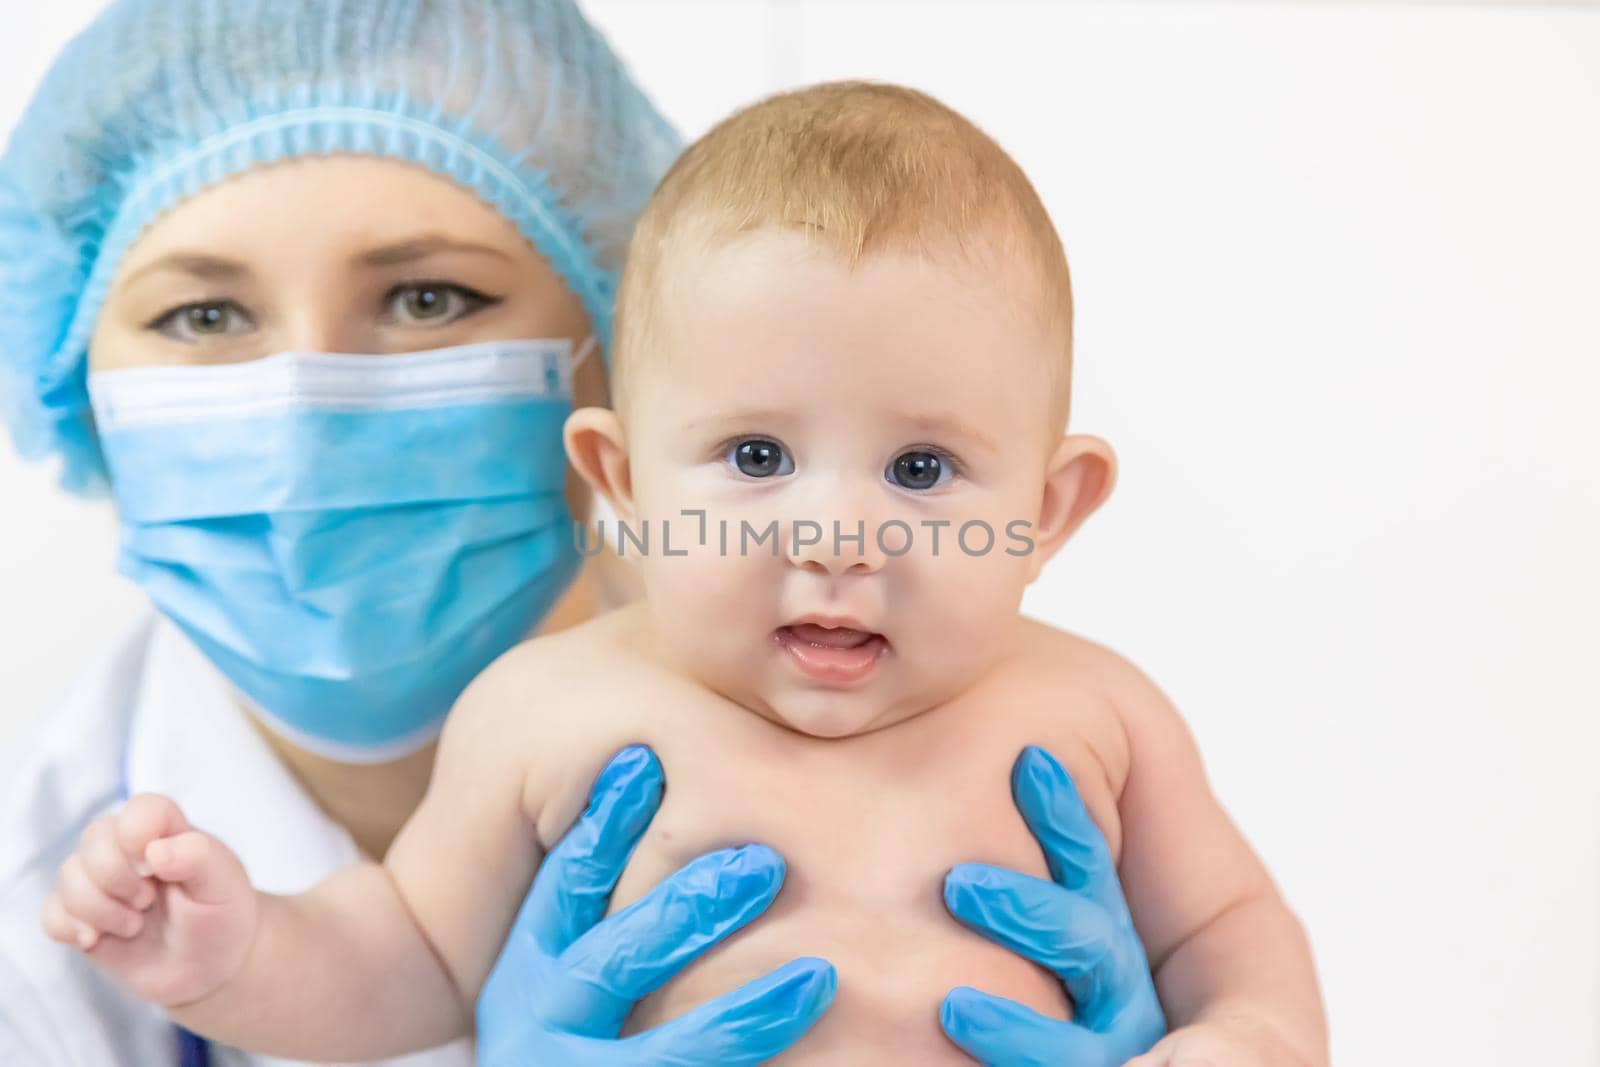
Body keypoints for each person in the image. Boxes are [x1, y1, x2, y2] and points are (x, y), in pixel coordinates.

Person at [44, 81, 1327, 1064]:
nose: (836, 535)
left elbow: (1227, 930)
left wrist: (1236, 1038)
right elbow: (408, 952)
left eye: (923, 469)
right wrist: (238, 947)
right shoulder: (551, 713)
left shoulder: (1097, 715)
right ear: (625, 483)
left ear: (1050, 510)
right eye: (756, 454)